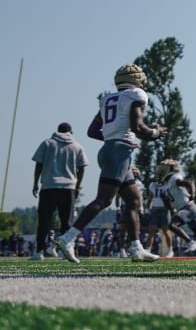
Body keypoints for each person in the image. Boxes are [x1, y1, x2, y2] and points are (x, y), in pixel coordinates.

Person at [55, 64, 167, 263]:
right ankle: (68, 237)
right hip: (119, 152)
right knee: (104, 200)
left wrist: (112, 138)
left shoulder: (108, 98)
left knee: (133, 199)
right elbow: (138, 126)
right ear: (137, 80)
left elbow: (92, 130)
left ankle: (136, 248)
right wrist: (156, 132)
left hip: (111, 149)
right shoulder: (137, 95)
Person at [31, 122, 88, 261]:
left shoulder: (47, 143)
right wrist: (77, 186)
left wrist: (35, 183)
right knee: (66, 222)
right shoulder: (77, 146)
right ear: (70, 132)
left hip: (48, 186)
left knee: (44, 221)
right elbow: (82, 168)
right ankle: (65, 252)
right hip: (68, 187)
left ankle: (39, 252)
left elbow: (39, 164)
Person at [114, 165, 145, 258]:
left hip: (135, 208)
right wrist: (118, 208)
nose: (134, 175)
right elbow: (118, 197)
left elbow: (140, 198)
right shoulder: (123, 182)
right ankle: (121, 249)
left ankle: (132, 248)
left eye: (135, 173)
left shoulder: (139, 184)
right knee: (122, 230)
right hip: (125, 207)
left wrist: (141, 208)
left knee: (135, 231)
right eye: (133, 173)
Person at [144, 174, 174, 258]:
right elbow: (150, 198)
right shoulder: (152, 185)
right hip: (155, 209)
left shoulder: (167, 185)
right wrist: (147, 210)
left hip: (165, 209)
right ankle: (148, 250)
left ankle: (170, 250)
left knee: (166, 230)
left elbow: (171, 198)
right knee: (151, 230)